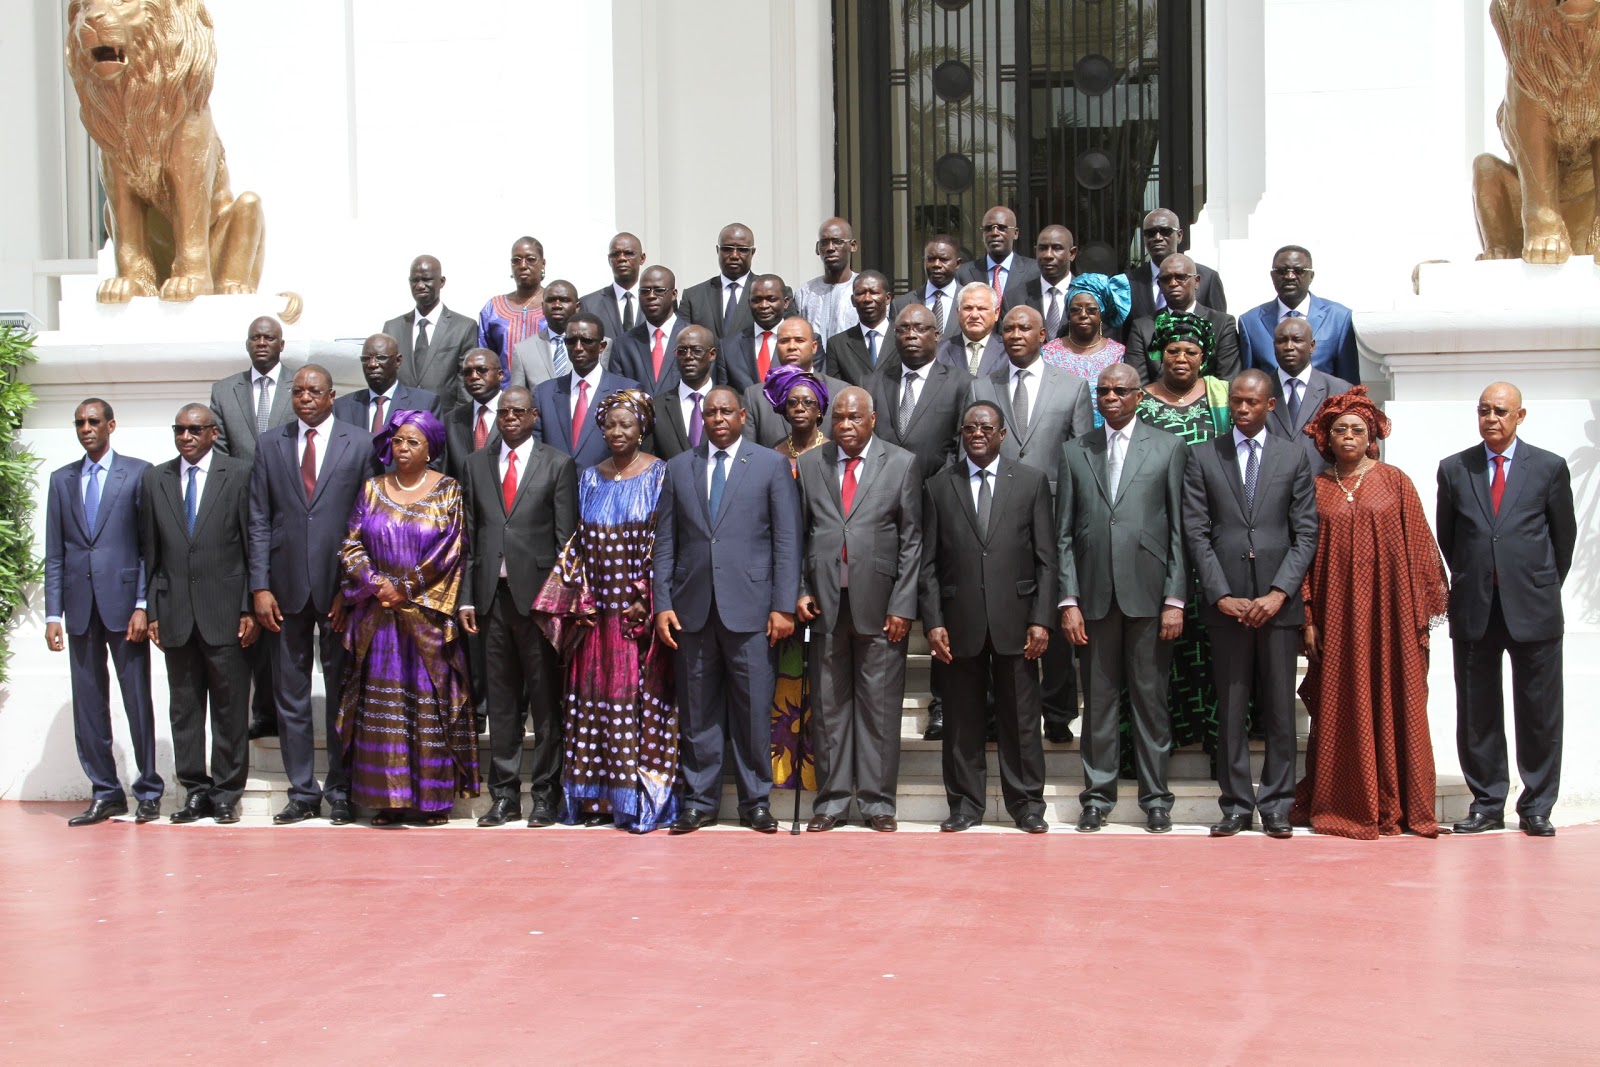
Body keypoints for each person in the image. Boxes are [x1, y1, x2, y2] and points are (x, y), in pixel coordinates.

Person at [1289, 388, 1449, 839]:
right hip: (1336, 619)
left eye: (1357, 429)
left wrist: (1419, 614)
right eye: (1339, 429)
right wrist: (1308, 617)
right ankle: (1347, 802)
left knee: (1398, 700)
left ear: (1372, 435)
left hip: (1391, 620)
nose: (1348, 436)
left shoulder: (1395, 481)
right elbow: (1302, 555)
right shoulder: (1317, 489)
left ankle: (1403, 803)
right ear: (1326, 437)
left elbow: (1421, 548)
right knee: (1341, 703)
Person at [654, 385, 802, 833]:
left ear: (742, 416)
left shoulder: (771, 465)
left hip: (753, 610)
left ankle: (756, 801)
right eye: (710, 412)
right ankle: (700, 801)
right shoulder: (679, 467)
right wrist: (663, 603)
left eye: (726, 412)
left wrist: (782, 605)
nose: (718, 418)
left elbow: (786, 540)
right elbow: (665, 542)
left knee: (754, 709)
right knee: (698, 711)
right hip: (692, 610)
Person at [534, 391, 678, 831]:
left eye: (626, 425)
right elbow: (577, 541)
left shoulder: (659, 474)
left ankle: (633, 802)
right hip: (593, 615)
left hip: (635, 616)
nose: (617, 433)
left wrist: (644, 596)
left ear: (642, 428)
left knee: (631, 706)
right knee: (590, 706)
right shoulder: (588, 478)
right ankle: (594, 801)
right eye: (610, 425)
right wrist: (575, 597)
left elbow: (663, 540)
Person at [1183, 369, 1318, 839]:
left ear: (1271, 405)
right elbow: (1196, 533)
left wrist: (1279, 592)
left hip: (1278, 606)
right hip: (1227, 607)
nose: (1242, 409)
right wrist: (1221, 595)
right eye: (1236, 402)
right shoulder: (1203, 456)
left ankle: (1278, 804)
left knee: (1280, 710)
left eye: (1251, 402)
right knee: (1231, 708)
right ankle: (1236, 803)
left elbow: (1306, 534)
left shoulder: (1294, 456)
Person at [1437, 381, 1576, 837]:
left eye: (1500, 411)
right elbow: (1450, 538)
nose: (1491, 418)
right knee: (1477, 712)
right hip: (1476, 605)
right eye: (1483, 410)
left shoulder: (1549, 468)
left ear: (1520, 416)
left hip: (1532, 606)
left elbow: (1563, 539)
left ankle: (1536, 805)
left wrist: (1535, 582)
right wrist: (1478, 574)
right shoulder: (1456, 469)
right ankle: (1487, 802)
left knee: (1539, 711)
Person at [1057, 364, 1189, 833]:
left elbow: (1179, 529)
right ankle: (1096, 797)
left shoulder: (1169, 447)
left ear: (1139, 397)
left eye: (1120, 391)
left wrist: (1176, 598)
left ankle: (1156, 799)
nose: (1110, 398)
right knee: (1098, 704)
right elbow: (1064, 534)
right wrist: (1067, 600)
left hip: (1150, 597)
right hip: (1092, 599)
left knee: (1151, 703)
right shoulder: (1076, 451)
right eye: (1103, 391)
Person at [250, 364, 381, 825]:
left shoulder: (359, 442)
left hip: (339, 593)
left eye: (314, 391)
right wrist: (260, 587)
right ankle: (302, 791)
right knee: (291, 695)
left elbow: (366, 522)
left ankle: (341, 789)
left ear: (331, 396)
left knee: (343, 694)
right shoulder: (271, 444)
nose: (305, 398)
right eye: (298, 391)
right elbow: (259, 519)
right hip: (283, 592)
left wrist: (351, 588)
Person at [335, 410, 477, 825]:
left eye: (413, 442)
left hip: (427, 618)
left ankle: (432, 803)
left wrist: (406, 587)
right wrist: (376, 582)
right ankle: (387, 800)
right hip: (378, 619)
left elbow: (452, 549)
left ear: (430, 448)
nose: (403, 448)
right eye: (398, 441)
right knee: (384, 708)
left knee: (428, 707)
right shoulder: (372, 489)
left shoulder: (449, 490)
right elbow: (350, 544)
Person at [919, 400, 1054, 833]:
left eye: (986, 427)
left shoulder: (1031, 483)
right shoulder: (939, 486)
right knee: (961, 719)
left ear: (1002, 434)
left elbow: (1047, 560)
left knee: (1021, 719)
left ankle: (1028, 805)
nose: (977, 433)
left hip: (1017, 620)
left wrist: (1041, 619)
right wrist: (934, 621)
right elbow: (928, 564)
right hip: (959, 623)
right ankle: (964, 805)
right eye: (970, 427)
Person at [793, 387, 922, 832]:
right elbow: (798, 533)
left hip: (882, 605)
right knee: (829, 707)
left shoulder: (901, 463)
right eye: (839, 418)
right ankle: (830, 802)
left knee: (879, 707)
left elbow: (911, 541)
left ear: (873, 419)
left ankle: (877, 801)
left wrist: (904, 603)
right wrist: (800, 588)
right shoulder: (811, 464)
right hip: (825, 604)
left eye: (854, 418)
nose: (845, 425)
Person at [967, 304, 1094, 743]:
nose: (1016, 334)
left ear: (1044, 335)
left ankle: (1058, 713)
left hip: (1053, 515)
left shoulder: (1073, 386)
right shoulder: (982, 384)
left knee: (1052, 611)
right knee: (997, 612)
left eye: (1025, 328)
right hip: (994, 516)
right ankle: (992, 713)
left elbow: (1081, 457)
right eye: (1009, 329)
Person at [459, 386, 578, 828]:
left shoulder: (558, 463)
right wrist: (468, 596)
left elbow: (567, 541)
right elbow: (469, 536)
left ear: (533, 416)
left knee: (546, 703)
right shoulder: (475, 465)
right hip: (491, 599)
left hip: (540, 604)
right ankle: (504, 796)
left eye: (517, 412)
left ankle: (546, 794)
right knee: (503, 705)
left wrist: (559, 604)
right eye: (502, 412)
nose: (508, 418)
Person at [44, 398, 162, 826]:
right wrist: (52, 614)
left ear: (112, 425)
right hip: (78, 608)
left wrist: (142, 605)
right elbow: (55, 553)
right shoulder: (62, 479)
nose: (86, 428)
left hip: (124, 606)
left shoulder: (137, 472)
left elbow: (150, 547)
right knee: (88, 704)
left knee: (136, 700)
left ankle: (148, 789)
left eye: (94, 421)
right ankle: (105, 791)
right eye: (79, 422)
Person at [141, 404, 257, 825]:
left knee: (228, 710)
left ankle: (227, 794)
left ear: (213, 433)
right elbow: (150, 551)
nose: (186, 437)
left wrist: (249, 606)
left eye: (194, 430)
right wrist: (153, 607)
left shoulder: (240, 474)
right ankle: (194, 790)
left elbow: (252, 545)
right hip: (174, 613)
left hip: (226, 612)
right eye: (179, 430)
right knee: (185, 709)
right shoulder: (156, 478)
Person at [865, 302, 972, 741]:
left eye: (919, 329)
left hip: (940, 504)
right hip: (887, 513)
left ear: (936, 334)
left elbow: (967, 443)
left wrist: (947, 490)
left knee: (940, 606)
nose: (910, 335)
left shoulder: (960, 382)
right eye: (903, 328)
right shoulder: (875, 382)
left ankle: (943, 704)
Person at [1133, 311, 1234, 763]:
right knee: (1155, 643)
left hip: (1209, 537)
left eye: (1190, 351)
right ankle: (1154, 740)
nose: (1180, 358)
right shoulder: (1140, 402)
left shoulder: (1222, 400)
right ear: (1158, 354)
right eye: (1171, 350)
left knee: (1207, 641)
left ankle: (1211, 732)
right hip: (1152, 536)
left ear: (1204, 356)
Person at [209, 315, 295, 739]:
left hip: (288, 513)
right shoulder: (224, 391)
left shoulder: (300, 386)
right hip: (238, 513)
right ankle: (261, 709)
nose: (262, 343)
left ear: (282, 344)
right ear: (247, 344)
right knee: (251, 610)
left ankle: (285, 706)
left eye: (269, 337)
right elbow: (220, 454)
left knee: (282, 613)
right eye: (255, 337)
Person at [763, 365, 831, 794]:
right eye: (793, 402)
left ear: (821, 409)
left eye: (808, 401)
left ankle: (823, 775)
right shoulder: (773, 455)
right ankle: (788, 775)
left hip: (823, 584)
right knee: (786, 686)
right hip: (782, 583)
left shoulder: (831, 453)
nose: (800, 407)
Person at [1238, 245, 1361, 384]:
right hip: (1273, 403)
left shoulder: (1339, 318)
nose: (1290, 276)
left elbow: (1349, 384)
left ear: (1311, 276)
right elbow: (1248, 382)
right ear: (1272, 276)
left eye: (1299, 271)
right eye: (1282, 271)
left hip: (1325, 404)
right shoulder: (1250, 322)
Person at [531, 312, 640, 468]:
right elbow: (537, 451)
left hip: (606, 485)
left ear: (602, 346)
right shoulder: (544, 393)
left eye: (586, 341)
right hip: (555, 489)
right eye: (571, 341)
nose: (578, 348)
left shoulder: (626, 391)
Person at [384, 254, 481, 411]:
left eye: (426, 279)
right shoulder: (392, 328)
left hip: (444, 423)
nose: (420, 285)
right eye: (415, 280)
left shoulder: (464, 327)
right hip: (400, 425)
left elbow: (466, 383)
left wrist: (457, 426)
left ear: (441, 282)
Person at [1124, 253, 1241, 383]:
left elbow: (1227, 380)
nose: (1173, 283)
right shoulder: (1142, 327)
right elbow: (1138, 384)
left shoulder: (1222, 324)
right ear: (1159, 284)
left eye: (1181, 277)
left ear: (1196, 281)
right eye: (1166, 279)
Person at [740, 317, 849, 448]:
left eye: (799, 340)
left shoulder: (840, 391)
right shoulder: (756, 396)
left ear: (814, 347)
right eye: (784, 341)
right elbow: (749, 452)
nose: (791, 347)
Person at [1265, 316, 1353, 472]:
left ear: (1312, 346)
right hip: (1270, 489)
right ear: (1274, 346)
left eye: (1297, 340)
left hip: (1323, 487)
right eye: (1281, 341)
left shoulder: (1340, 391)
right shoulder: (1259, 391)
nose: (1289, 347)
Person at [677, 222, 794, 339]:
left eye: (742, 250)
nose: (734, 255)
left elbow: (790, 335)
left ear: (752, 252)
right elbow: (682, 341)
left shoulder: (775, 293)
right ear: (718, 250)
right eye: (727, 249)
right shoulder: (693, 297)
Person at [333, 333, 446, 439]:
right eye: (366, 359)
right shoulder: (341, 407)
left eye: (381, 358)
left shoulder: (424, 403)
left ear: (398, 360)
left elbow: (437, 455)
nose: (372, 364)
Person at [1123, 208, 1227, 322]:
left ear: (1179, 235)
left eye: (1165, 231)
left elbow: (1219, 327)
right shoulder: (1130, 282)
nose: (1158, 238)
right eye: (1150, 233)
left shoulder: (1208, 278)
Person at [1040, 273, 1132, 402]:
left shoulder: (1118, 354)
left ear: (1101, 313)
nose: (1083, 314)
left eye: (1091, 309)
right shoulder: (1049, 352)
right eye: (1076, 309)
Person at [610, 265, 689, 394]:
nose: (651, 296)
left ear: (674, 294)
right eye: (645, 291)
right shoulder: (623, 345)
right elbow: (618, 395)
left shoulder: (694, 338)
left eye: (659, 290)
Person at [445, 348, 518, 481]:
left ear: (500, 374)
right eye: (467, 373)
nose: (474, 377)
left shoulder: (519, 415)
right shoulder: (451, 420)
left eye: (482, 370)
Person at [478, 236, 547, 375]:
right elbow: (483, 357)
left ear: (543, 264)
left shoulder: (556, 304)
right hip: (504, 392)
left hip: (548, 392)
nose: (522, 265)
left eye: (531, 259)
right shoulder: (494, 307)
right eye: (516, 260)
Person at [954, 205, 1041, 313]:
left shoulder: (1034, 270)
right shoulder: (963, 273)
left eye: (1002, 227)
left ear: (1015, 233)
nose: (994, 233)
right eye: (988, 228)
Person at [651, 325, 719, 460]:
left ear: (712, 354)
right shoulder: (656, 407)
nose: (688, 356)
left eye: (696, 350)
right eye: (682, 351)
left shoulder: (731, 405)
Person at [719, 274, 791, 391]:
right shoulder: (728, 347)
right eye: (756, 300)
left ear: (786, 302)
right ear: (749, 303)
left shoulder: (804, 343)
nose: (763, 306)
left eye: (771, 299)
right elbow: (726, 395)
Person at [794, 217, 859, 346]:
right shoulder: (804, 293)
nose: (830, 248)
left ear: (852, 246)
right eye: (824, 243)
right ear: (817, 249)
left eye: (837, 241)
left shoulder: (865, 290)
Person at [826, 270, 898, 385]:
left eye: (874, 292)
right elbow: (835, 389)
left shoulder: (902, 336)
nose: (867, 299)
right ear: (853, 300)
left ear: (887, 298)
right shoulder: (837, 345)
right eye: (860, 293)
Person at [510, 278, 583, 387]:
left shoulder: (597, 346)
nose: (557, 305)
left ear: (577, 307)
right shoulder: (522, 350)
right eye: (551, 300)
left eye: (564, 300)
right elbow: (518, 399)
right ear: (542, 307)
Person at [889, 234, 962, 340]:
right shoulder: (901, 304)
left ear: (958, 263)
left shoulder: (972, 303)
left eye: (943, 259)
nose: (936, 264)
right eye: (931, 259)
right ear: (924, 261)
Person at [579, 232, 646, 343]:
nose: (621, 258)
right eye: (615, 254)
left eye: (628, 253)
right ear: (609, 260)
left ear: (642, 258)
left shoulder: (656, 301)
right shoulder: (589, 304)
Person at [938, 282, 1007, 378]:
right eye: (968, 308)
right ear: (958, 312)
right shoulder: (940, 352)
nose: (974, 315)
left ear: (996, 313)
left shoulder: (1008, 351)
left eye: (982, 308)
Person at [1028, 224, 1078, 334]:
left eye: (1057, 248)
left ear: (1072, 254)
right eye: (1043, 248)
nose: (1048, 255)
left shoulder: (1088, 295)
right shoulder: (1015, 296)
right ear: (1035, 252)